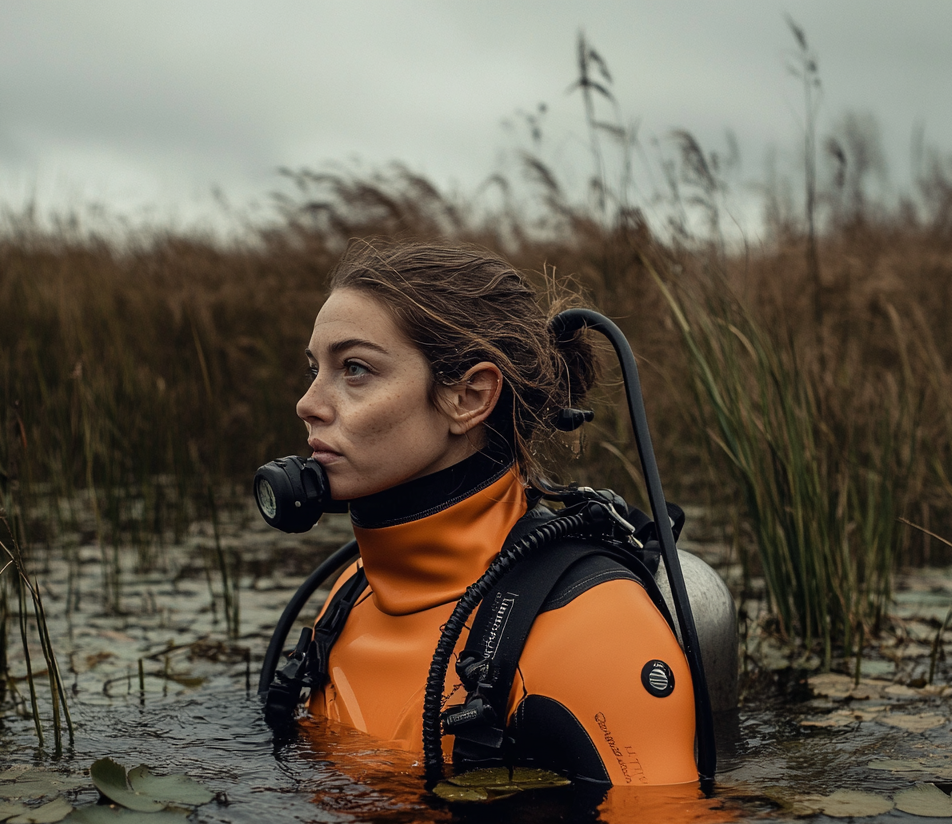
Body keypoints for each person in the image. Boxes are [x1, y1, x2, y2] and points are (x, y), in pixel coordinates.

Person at [296, 239, 697, 787]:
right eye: (315, 368)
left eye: (356, 369)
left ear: (469, 396)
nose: (309, 403)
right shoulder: (351, 592)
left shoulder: (593, 628)